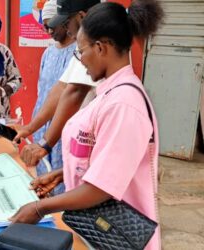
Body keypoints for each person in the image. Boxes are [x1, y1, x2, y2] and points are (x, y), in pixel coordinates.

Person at [10, 1, 163, 250]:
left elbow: (101, 188)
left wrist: (40, 208)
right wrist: (65, 172)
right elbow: (109, 162)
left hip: (118, 239)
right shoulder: (109, 93)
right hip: (100, 232)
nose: (80, 61)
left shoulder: (123, 105)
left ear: (101, 48)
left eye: (81, 52)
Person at [14, 0, 100, 167]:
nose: (67, 30)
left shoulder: (91, 49)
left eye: (66, 23)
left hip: (85, 137)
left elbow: (73, 93)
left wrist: (45, 144)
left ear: (82, 17)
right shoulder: (80, 49)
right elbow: (61, 87)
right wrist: (30, 128)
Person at [29, 0, 76, 195]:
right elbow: (43, 91)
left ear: (65, 23)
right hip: (42, 125)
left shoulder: (80, 53)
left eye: (51, 26)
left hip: (65, 126)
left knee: (64, 176)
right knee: (44, 178)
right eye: (44, 26)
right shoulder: (48, 53)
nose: (48, 31)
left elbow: (70, 93)